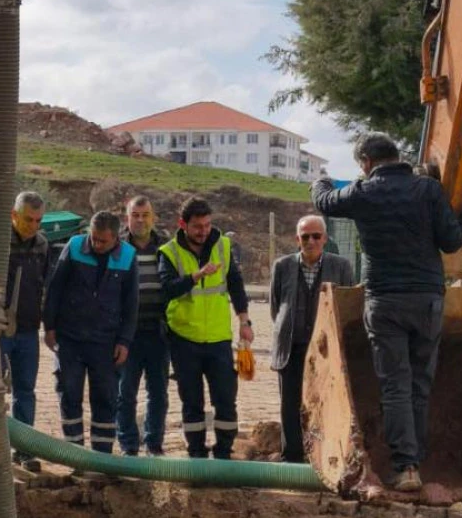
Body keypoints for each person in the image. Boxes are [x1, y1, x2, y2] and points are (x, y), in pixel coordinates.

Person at [312, 132, 462, 492]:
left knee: (394, 385)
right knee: (419, 385)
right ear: (398, 156)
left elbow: (323, 201)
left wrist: (320, 177)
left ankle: (406, 467)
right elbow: (453, 239)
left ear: (365, 163)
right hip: (427, 299)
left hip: (385, 302)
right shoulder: (427, 191)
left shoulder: (362, 193)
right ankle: (419, 461)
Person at [158, 195, 253, 459]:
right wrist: (196, 276)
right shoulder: (169, 252)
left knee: (225, 400)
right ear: (183, 224)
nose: (203, 232)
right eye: (197, 226)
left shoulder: (222, 245)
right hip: (183, 338)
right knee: (192, 403)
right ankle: (196, 454)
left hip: (219, 338)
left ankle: (223, 451)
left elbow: (236, 284)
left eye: (207, 225)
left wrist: (245, 321)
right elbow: (167, 289)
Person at [43, 209, 138, 455]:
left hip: (105, 342)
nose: (96, 244)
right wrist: (49, 327)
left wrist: (125, 341)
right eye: (93, 238)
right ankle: (74, 453)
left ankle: (101, 455)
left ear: (116, 237)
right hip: (70, 338)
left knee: (105, 398)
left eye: (102, 241)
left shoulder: (128, 256)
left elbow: (131, 304)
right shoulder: (74, 247)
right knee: (69, 393)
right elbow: (55, 290)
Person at [269, 214, 355, 463]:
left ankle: (326, 459)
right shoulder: (282, 267)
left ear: (325, 239)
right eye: (305, 237)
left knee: (328, 404)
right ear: (297, 239)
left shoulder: (341, 267)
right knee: (291, 404)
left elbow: (347, 305)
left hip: (327, 349)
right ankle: (292, 458)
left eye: (316, 236)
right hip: (292, 347)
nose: (311, 241)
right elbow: (277, 308)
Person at [114, 195, 169, 457]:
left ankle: (154, 444)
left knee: (158, 392)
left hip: (158, 332)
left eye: (145, 214)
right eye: (135, 215)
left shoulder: (166, 249)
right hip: (127, 334)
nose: (140, 220)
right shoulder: (118, 248)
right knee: (126, 392)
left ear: (153, 217)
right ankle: (128, 445)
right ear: (127, 218)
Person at [3, 191, 50, 461]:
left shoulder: (42, 246)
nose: (32, 226)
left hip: (28, 330)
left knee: (25, 390)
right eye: (28, 220)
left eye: (38, 221)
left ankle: (24, 448)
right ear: (13, 215)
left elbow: (44, 284)